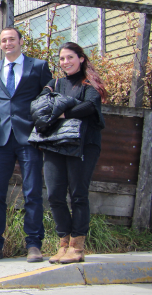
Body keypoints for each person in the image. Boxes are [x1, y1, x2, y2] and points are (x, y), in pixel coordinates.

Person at [0, 27, 52, 262]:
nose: (8, 43)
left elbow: (48, 99)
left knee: (32, 192)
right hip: (1, 139)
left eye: (12, 39)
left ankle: (33, 244)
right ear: (0, 44)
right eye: (4, 40)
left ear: (21, 41)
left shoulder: (39, 66)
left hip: (29, 138)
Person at [41, 42, 106, 264]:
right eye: (61, 58)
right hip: (55, 144)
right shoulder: (54, 83)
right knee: (54, 195)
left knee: (78, 194)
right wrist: (64, 111)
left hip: (84, 145)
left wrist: (60, 113)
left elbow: (89, 106)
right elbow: (41, 106)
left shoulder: (89, 84)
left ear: (81, 59)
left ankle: (77, 247)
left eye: (70, 57)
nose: (65, 62)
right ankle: (63, 244)